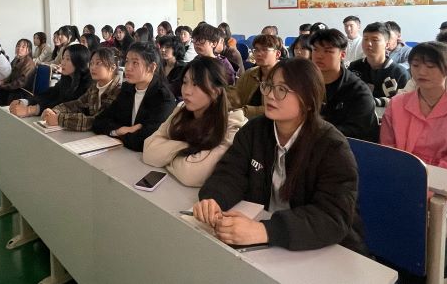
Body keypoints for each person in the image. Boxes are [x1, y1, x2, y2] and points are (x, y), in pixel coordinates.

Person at [193, 58, 366, 253]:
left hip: (323, 249)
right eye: (269, 86)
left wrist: (265, 231)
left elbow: (332, 217)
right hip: (268, 242)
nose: (269, 95)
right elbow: (230, 173)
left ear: (308, 101)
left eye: (282, 89)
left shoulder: (332, 147)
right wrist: (214, 199)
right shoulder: (254, 131)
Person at [381, 41, 447, 281]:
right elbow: (388, 154)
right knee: (377, 236)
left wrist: (417, 192)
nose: (421, 72)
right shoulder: (397, 105)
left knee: (418, 245)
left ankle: (436, 271)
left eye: (430, 66)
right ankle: (439, 271)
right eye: (415, 65)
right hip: (403, 186)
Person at [143, 57, 247, 187]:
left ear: (216, 91)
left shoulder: (232, 124)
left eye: (196, 84)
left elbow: (190, 174)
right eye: (185, 82)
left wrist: (165, 157)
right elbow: (149, 151)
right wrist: (188, 148)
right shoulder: (181, 110)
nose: (186, 91)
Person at [92, 42, 174, 151]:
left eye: (135, 63)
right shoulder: (127, 89)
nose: (128, 68)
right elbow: (99, 121)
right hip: (123, 152)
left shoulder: (163, 98)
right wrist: (118, 131)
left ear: (151, 67)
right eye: (127, 61)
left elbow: (146, 140)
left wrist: (120, 136)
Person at [310, 29, 378, 142]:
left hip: (343, 146)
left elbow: (359, 131)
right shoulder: (304, 83)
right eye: (315, 50)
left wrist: (316, 131)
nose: (319, 56)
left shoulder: (358, 91)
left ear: (342, 55)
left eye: (328, 51)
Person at [41, 48, 122, 131]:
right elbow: (78, 104)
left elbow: (97, 120)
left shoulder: (118, 90)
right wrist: (55, 111)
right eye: (91, 63)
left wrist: (60, 119)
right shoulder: (94, 87)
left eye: (98, 63)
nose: (92, 67)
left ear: (112, 68)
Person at [9, 45, 92, 118]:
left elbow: (65, 104)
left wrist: (32, 110)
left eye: (68, 59)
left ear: (79, 61)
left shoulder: (88, 82)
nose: (62, 63)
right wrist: (26, 101)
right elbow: (49, 94)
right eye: (63, 58)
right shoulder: (67, 77)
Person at [348, 22, 409, 108]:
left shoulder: (399, 73)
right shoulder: (354, 67)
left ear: (387, 45)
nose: (368, 43)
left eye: (375, 40)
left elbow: (404, 103)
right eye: (365, 39)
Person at [227, 34, 282, 119]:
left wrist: (245, 111)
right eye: (256, 50)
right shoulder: (249, 74)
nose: (259, 54)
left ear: (277, 54)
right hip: (245, 121)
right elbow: (235, 97)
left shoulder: (284, 77)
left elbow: (279, 108)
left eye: (264, 50)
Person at [0, 38, 36, 105]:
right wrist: (3, 81)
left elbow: (20, 83)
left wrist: (3, 86)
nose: (19, 48)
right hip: (12, 87)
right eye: (18, 46)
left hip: (21, 92)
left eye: (23, 47)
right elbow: (10, 74)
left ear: (28, 50)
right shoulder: (16, 59)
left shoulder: (29, 64)